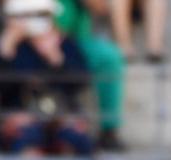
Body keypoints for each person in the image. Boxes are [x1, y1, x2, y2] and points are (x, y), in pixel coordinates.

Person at [0, 0, 97, 156]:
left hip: (61, 116)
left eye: (41, 15)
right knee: (25, 141)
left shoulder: (65, 43)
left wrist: (57, 58)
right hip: (22, 117)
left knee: (78, 140)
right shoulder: (7, 45)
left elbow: (81, 82)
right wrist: (6, 48)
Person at [55, 0, 128, 150]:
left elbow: (102, 8)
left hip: (76, 42)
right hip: (33, 35)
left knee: (110, 57)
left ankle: (109, 129)